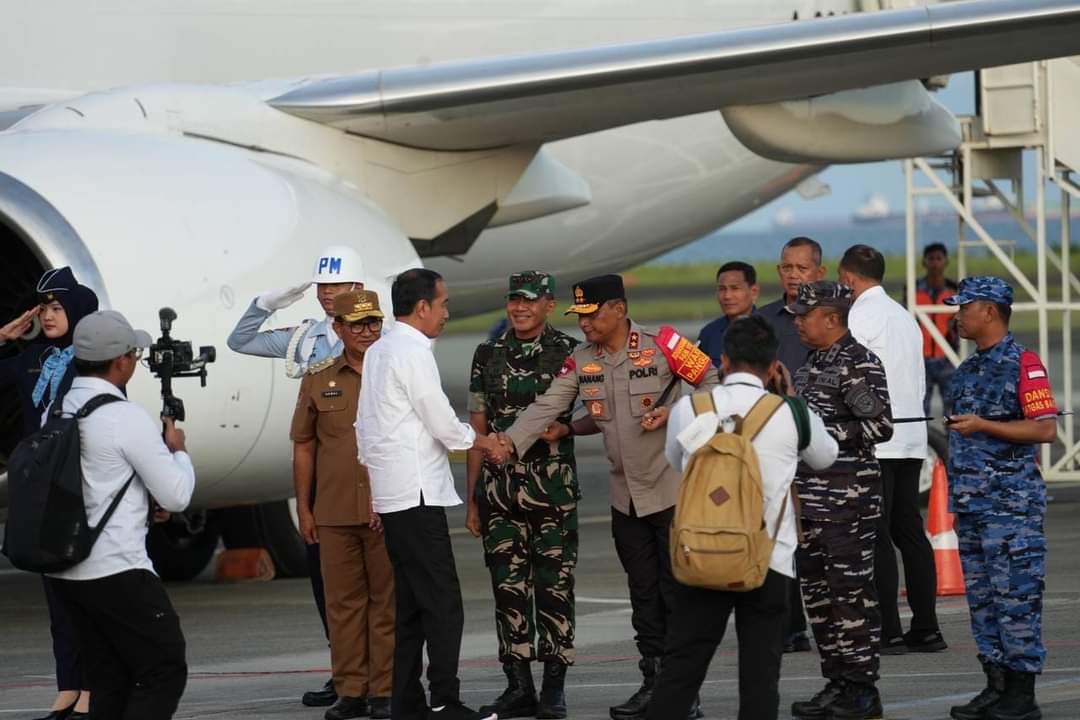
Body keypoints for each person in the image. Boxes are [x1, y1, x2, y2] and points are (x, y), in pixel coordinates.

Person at [496, 274, 718, 720]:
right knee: (644, 597)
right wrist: (506, 442)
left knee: (676, 595)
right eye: (580, 317)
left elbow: (716, 384)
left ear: (618, 308)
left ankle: (683, 691)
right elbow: (547, 407)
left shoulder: (667, 343)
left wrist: (675, 411)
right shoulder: (582, 361)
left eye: (592, 315)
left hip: (671, 492)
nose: (586, 325)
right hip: (626, 501)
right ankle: (654, 683)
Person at [650, 316, 838, 720]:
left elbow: (676, 461)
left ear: (723, 360)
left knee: (682, 665)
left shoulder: (690, 407)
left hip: (702, 549)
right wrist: (791, 397)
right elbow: (826, 457)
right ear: (773, 366)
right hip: (768, 558)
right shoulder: (792, 413)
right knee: (760, 672)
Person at [356, 268, 502, 720]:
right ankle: (444, 701)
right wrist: (483, 441)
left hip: (394, 494)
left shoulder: (379, 351)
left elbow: (364, 428)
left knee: (412, 606)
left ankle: (407, 702)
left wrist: (378, 492)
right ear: (422, 307)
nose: (446, 313)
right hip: (416, 494)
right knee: (443, 605)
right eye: (442, 304)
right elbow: (441, 423)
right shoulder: (413, 352)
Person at [226, 244, 365, 707]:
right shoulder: (307, 338)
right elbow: (240, 340)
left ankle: (382, 672)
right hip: (325, 474)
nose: (328, 294)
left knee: (376, 581)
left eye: (338, 285)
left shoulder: (376, 338)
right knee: (326, 579)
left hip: (368, 468)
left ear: (358, 288)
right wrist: (266, 305)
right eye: (323, 285)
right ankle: (343, 670)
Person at [48, 311, 194, 720]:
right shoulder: (122, 416)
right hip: (116, 567)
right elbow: (178, 494)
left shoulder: (59, 410)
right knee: (164, 668)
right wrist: (178, 449)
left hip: (68, 571)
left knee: (107, 677)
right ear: (121, 362)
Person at [465, 272, 580, 719]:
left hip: (551, 493)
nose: (520, 308)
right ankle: (518, 686)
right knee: (507, 590)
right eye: (514, 300)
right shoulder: (487, 354)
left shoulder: (570, 352)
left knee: (555, 588)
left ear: (548, 304)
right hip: (500, 494)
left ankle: (554, 687)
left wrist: (567, 427)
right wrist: (474, 498)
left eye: (530, 300)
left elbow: (595, 412)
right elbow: (477, 429)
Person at [943, 277, 1057, 720]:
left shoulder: (1023, 363)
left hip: (1011, 509)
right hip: (972, 507)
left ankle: (1022, 695)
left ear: (989, 311)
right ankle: (995, 685)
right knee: (984, 602)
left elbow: (1045, 428)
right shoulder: (967, 369)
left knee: (1016, 601)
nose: (957, 316)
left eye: (964, 308)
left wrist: (984, 426)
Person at [787, 281, 893, 720]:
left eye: (804, 314)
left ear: (831, 318)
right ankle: (837, 681)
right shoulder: (811, 365)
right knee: (819, 598)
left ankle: (862, 688)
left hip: (847, 501)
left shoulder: (859, 363)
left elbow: (880, 427)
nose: (796, 322)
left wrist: (823, 435)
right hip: (811, 502)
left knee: (850, 596)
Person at [290, 290, 395, 720]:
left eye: (373, 323)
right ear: (338, 329)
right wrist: (305, 508)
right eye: (358, 325)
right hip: (332, 510)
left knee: (385, 603)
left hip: (386, 508)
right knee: (343, 605)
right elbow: (303, 446)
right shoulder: (318, 376)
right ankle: (351, 689)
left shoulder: (393, 372)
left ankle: (385, 690)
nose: (367, 332)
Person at [0, 267, 98, 720]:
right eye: (43, 310)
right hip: (39, 488)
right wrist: (3, 337)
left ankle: (94, 685)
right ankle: (69, 684)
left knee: (87, 592)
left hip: (79, 484)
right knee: (56, 593)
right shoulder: (34, 357)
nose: (48, 317)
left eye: (57, 308)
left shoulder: (94, 359)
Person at [839, 244, 945, 655]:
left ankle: (889, 632)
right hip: (912, 434)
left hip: (877, 438)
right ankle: (928, 627)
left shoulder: (858, 317)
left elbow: (855, 380)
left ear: (848, 279)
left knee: (877, 534)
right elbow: (917, 380)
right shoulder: (905, 317)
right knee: (909, 531)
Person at [757, 237, 826, 654]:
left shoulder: (838, 316)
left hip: (823, 441)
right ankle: (789, 624)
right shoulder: (765, 319)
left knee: (822, 538)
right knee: (781, 532)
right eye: (787, 267)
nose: (794, 275)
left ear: (819, 271)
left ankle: (833, 621)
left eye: (802, 268)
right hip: (778, 440)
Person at [915, 243, 959, 414]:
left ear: (946, 261)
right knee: (920, 410)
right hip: (921, 359)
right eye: (931, 259)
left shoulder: (953, 289)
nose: (935, 263)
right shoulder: (913, 289)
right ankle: (923, 441)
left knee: (952, 411)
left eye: (939, 258)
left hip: (947, 359)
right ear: (924, 262)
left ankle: (951, 442)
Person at [697, 261, 759, 367]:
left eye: (735, 288)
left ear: (754, 291)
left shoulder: (772, 329)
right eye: (722, 289)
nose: (727, 296)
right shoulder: (708, 333)